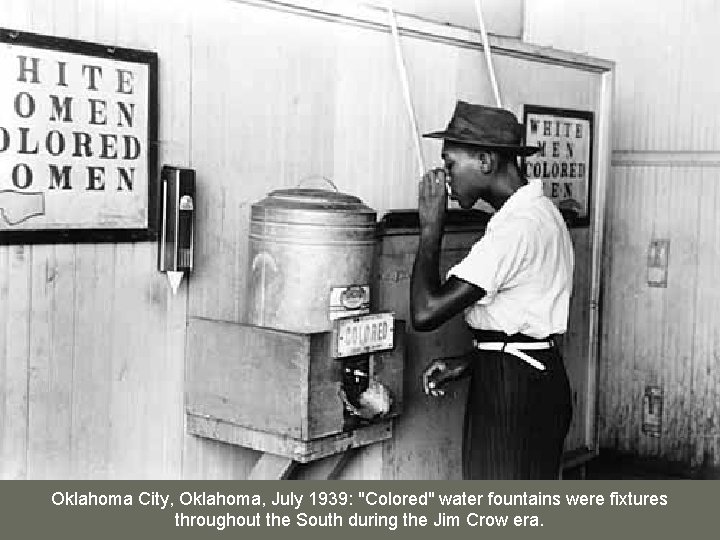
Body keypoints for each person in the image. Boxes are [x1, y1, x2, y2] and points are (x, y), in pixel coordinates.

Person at [410, 101, 574, 480]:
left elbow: (426, 312)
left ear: (485, 161)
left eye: (450, 164)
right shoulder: (541, 213)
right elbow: (525, 323)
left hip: (511, 393)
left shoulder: (516, 228)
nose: (446, 178)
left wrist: (431, 227)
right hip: (534, 376)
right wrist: (469, 362)